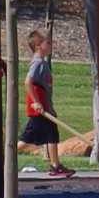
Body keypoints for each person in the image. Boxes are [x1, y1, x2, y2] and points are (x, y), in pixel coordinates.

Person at [18, 29, 70, 177]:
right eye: (47, 42)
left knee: (47, 135)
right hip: (38, 110)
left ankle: (56, 165)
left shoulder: (42, 63)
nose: (51, 44)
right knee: (32, 138)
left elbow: (44, 89)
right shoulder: (38, 62)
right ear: (38, 46)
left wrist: (49, 107)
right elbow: (28, 82)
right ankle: (3, 159)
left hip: (44, 108)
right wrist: (37, 103)